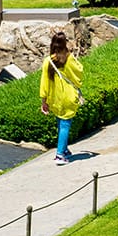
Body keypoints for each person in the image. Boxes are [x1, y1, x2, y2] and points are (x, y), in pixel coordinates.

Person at [39, 32, 83, 165]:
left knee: (60, 122)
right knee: (65, 124)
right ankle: (59, 154)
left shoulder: (48, 61)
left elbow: (44, 82)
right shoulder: (68, 58)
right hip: (67, 96)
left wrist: (44, 101)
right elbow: (79, 72)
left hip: (55, 98)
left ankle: (64, 149)